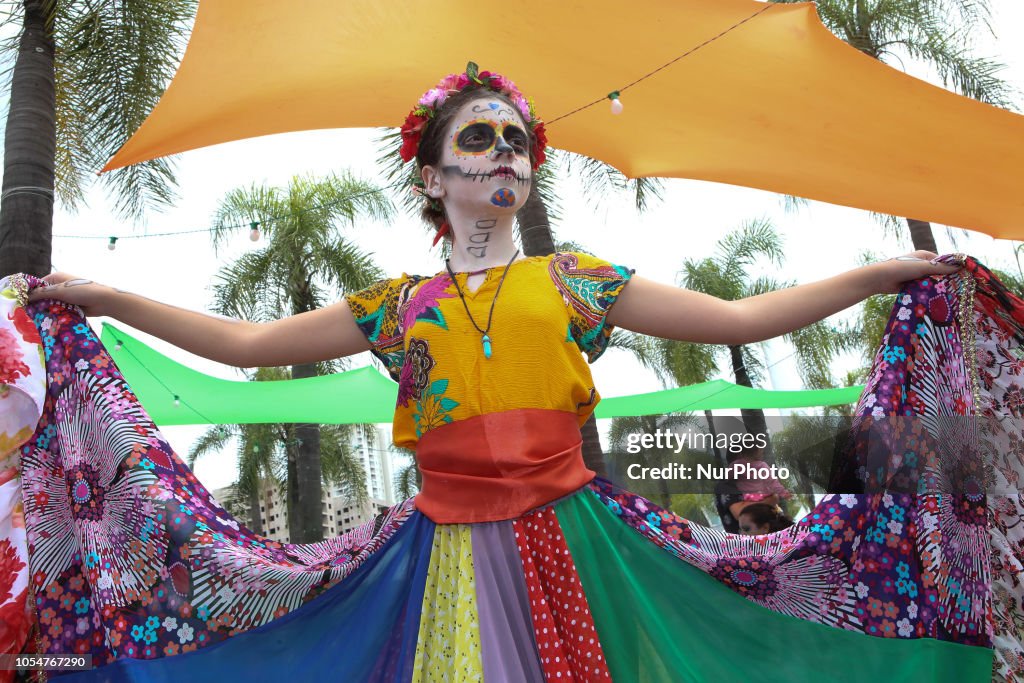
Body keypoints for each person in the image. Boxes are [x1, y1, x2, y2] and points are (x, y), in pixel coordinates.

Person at [14, 64, 985, 681]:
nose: (501, 154)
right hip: (437, 552)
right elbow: (244, 344)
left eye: (515, 140)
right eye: (476, 139)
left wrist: (880, 272)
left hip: (576, 540)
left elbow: (738, 316)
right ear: (434, 177)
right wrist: (109, 299)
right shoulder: (398, 305)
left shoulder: (571, 280)